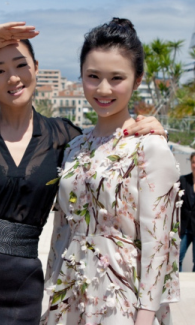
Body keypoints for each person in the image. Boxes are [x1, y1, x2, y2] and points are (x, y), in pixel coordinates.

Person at [0, 22, 166, 325]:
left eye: (20, 65)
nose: (13, 77)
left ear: (36, 67)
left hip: (18, 289)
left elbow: (107, 154)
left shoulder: (66, 137)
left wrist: (148, 129)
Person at [42, 18, 182, 325]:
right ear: (80, 76)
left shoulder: (150, 148)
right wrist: (52, 292)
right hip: (70, 296)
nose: (103, 89)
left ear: (138, 79)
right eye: (93, 76)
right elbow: (62, 231)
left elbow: (160, 245)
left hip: (121, 302)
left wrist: (144, 318)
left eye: (117, 78)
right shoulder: (75, 147)